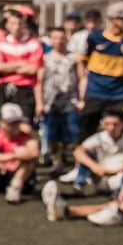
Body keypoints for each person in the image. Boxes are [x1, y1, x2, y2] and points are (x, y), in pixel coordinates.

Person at [76, 3, 123, 142]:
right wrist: (83, 85)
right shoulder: (94, 38)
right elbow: (82, 61)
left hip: (120, 95)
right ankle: (83, 162)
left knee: (119, 131)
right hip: (96, 92)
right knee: (87, 130)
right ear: (112, 19)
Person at [60, 108, 123, 194]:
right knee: (86, 155)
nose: (111, 128)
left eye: (115, 124)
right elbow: (78, 152)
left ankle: (122, 192)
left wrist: (115, 171)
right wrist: (95, 166)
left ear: (122, 125)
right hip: (100, 175)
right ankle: (78, 186)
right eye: (107, 124)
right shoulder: (99, 137)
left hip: (121, 176)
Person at [0, 10, 45, 123]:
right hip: (4, 89)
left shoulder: (33, 44)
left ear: (24, 25)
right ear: (7, 25)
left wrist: (7, 67)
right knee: (2, 124)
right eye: (13, 23)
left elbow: (33, 69)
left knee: (25, 125)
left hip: (25, 90)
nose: (17, 27)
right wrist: (20, 64)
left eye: (20, 23)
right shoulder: (1, 44)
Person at [43, 26, 81, 173]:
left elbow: (82, 78)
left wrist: (82, 98)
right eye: (55, 38)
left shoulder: (74, 57)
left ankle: (79, 165)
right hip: (50, 101)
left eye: (61, 38)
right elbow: (40, 81)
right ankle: (57, 161)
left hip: (70, 100)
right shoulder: (45, 58)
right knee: (52, 133)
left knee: (73, 133)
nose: (59, 41)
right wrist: (40, 102)